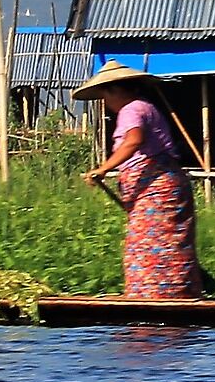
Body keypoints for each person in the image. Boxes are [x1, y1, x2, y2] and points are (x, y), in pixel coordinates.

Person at [73, 64, 205, 298]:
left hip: (157, 186)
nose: (105, 103)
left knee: (149, 243)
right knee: (162, 240)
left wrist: (102, 169)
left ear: (115, 90)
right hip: (161, 185)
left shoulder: (131, 109)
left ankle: (156, 296)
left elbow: (134, 140)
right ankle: (176, 292)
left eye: (105, 96)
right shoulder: (145, 107)